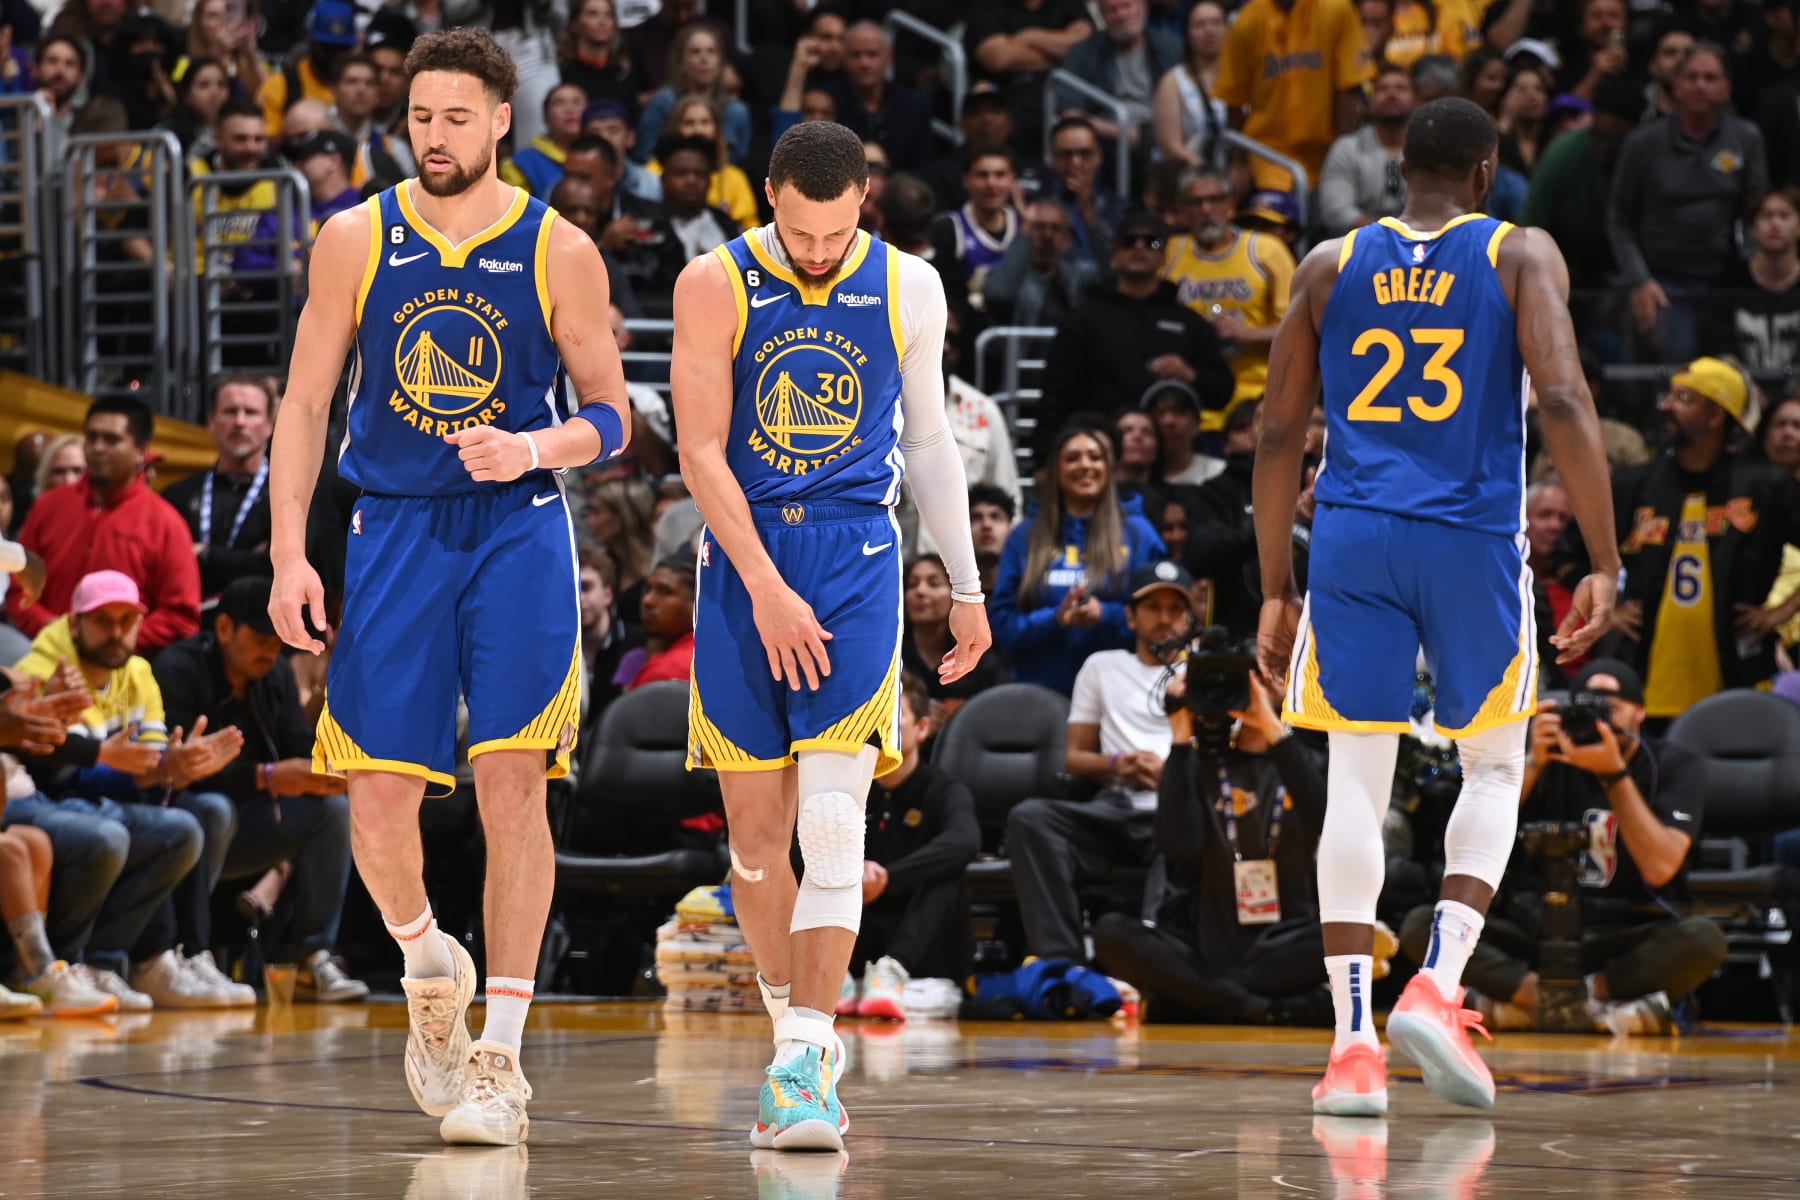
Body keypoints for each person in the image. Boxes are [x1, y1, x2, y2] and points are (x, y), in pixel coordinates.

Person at [266, 28, 631, 1147]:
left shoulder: (558, 247)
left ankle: (500, 1059)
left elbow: (614, 418)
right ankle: (430, 960)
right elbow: (303, 408)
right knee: (376, 799)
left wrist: (532, 450)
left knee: (512, 783)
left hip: (517, 529)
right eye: (420, 116)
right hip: (392, 534)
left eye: (455, 117)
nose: (434, 135)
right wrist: (290, 554)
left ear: (501, 122)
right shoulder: (352, 237)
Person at [1253, 97, 1621, 1119]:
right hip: (1469, 536)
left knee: (1355, 782)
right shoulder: (1518, 251)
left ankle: (1353, 1048)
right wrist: (1604, 554)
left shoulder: (1329, 265)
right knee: (1495, 762)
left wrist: (1278, 585)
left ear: (1394, 170)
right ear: (1488, 172)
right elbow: (1561, 397)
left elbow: (1279, 437)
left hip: (1354, 535)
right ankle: (1440, 979)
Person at [669, 120, 989, 1152]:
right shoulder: (713, 281)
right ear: (768, 195)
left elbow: (931, 444)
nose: (814, 251)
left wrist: (971, 587)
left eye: (833, 230)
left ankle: (806, 1053)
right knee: (758, 851)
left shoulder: (911, 285)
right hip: (743, 566)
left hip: (855, 565)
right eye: (797, 232)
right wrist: (762, 585)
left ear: (866, 197)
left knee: (834, 826)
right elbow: (702, 451)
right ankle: (789, 1042)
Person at [1399, 659, 1727, 1034]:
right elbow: (1470, 842)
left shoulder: (1674, 765)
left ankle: (1557, 1003)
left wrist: (1614, 775)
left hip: (1624, 930)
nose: (1597, 718)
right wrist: (1533, 763)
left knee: (1703, 939)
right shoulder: (1549, 754)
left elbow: (1661, 866)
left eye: (1610, 706)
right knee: (1424, 924)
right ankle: (1547, 1002)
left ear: (1641, 712)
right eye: (1585, 707)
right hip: (1537, 930)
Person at [1006, 560, 1194, 962]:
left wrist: (1174, 776)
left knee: (1184, 825)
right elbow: (1073, 758)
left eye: (1175, 609)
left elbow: (1226, 763)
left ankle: (1155, 961)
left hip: (1179, 811)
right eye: (1152, 607)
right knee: (1030, 819)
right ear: (1129, 616)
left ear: (1190, 618)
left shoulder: (1204, 672)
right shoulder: (1102, 666)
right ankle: (1062, 961)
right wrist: (1115, 765)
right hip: (1115, 806)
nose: (1164, 619)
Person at [835, 671, 980, 1020]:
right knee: (805, 858)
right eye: (873, 716)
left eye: (893, 716)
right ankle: (831, 973)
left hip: (921, 936)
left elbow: (966, 840)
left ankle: (891, 974)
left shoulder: (945, 790)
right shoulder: (845, 788)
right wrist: (856, 871)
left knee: (949, 873)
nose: (881, 727)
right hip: (860, 929)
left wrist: (889, 878)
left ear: (922, 728)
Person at [161, 375, 275, 601]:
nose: (240, 422)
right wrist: (246, 559)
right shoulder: (178, 496)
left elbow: (273, 567)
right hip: (192, 627)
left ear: (269, 425)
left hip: (261, 627)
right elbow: (165, 565)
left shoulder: (290, 499)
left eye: (251, 413)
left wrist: (205, 556)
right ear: (211, 421)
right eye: (230, 411)